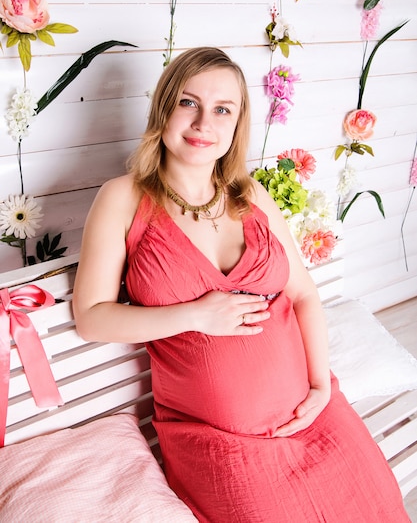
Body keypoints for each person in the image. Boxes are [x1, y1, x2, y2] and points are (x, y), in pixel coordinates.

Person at [73, 47, 410, 522]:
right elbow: (91, 318)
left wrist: (320, 388)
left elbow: (302, 293)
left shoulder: (249, 195)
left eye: (222, 110)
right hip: (221, 442)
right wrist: (196, 315)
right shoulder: (124, 197)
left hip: (314, 415)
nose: (202, 123)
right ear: (164, 108)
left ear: (236, 125)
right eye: (188, 103)